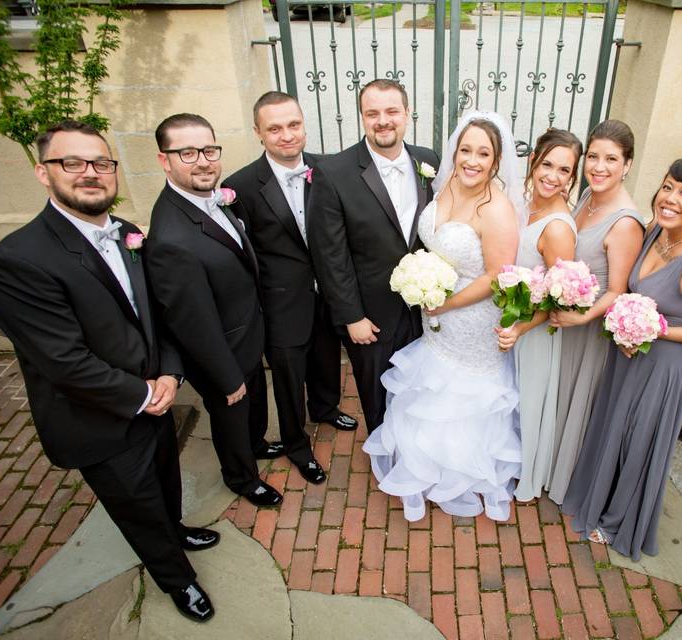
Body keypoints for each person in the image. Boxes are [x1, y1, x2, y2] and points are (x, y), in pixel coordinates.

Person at [0, 120, 217, 622]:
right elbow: (62, 362)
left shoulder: (129, 233)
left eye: (101, 163)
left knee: (165, 479)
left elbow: (160, 315)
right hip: (99, 419)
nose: (90, 173)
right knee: (136, 505)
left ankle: (174, 531)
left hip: (156, 396)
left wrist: (172, 375)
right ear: (43, 173)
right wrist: (142, 393)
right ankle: (176, 580)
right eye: (72, 163)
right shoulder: (18, 260)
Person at [561, 157, 682, 560]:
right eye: (667, 186)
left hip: (667, 367)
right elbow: (628, 290)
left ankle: (619, 520)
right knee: (615, 427)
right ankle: (600, 498)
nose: (671, 198)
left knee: (640, 439)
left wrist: (656, 329)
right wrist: (624, 325)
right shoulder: (654, 232)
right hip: (629, 353)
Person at [363, 111, 524, 522]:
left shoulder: (498, 210)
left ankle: (461, 474)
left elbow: (496, 277)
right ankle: (424, 463)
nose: (471, 160)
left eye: (482, 154)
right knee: (433, 385)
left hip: (471, 319)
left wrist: (445, 304)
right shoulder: (447, 182)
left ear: (496, 160)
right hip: (436, 316)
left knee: (464, 393)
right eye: (465, 149)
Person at [145, 113, 283, 507]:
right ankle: (241, 477)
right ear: (164, 160)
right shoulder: (171, 236)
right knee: (230, 416)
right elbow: (191, 320)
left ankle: (255, 445)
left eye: (208, 149)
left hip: (244, 334)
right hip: (219, 353)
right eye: (187, 152)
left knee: (254, 404)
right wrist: (225, 377)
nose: (203, 160)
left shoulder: (214, 199)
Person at [222, 91, 358, 485]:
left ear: (304, 123)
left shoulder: (329, 169)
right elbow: (242, 255)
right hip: (280, 303)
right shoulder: (240, 187)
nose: (286, 135)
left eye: (293, 125)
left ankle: (327, 407)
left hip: (328, 294)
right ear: (259, 133)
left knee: (327, 356)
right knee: (287, 380)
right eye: (275, 128)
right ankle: (297, 446)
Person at [307, 79, 440, 434]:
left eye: (392, 111)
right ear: (362, 118)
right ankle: (386, 456)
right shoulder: (333, 173)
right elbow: (329, 255)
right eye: (372, 113)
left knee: (423, 387)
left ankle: (418, 448)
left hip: (424, 308)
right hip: (371, 314)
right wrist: (352, 316)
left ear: (407, 114)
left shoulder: (428, 161)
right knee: (377, 393)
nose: (383, 121)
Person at [546, 120, 645, 505]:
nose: (599, 167)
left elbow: (618, 290)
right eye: (594, 157)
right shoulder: (588, 195)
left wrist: (581, 317)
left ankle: (566, 477)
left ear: (628, 164)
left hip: (588, 329)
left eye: (612, 159)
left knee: (577, 400)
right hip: (566, 320)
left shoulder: (624, 222)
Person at [496, 129, 581, 503]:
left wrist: (520, 328)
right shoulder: (525, 203)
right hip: (511, 322)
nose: (553, 176)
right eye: (547, 164)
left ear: (572, 178)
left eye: (564, 171)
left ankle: (524, 473)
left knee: (525, 401)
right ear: (533, 160)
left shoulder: (558, 228)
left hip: (531, 332)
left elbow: (559, 299)